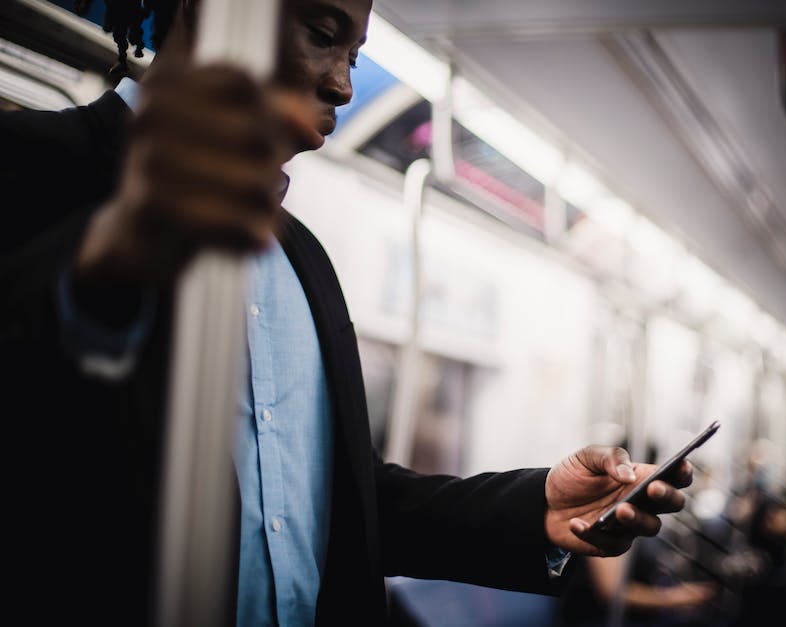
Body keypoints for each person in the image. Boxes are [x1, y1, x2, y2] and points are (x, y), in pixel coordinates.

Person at [0, 0, 692, 624]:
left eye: (355, 56)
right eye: (322, 35)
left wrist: (539, 507)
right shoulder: (27, 170)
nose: (342, 85)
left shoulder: (304, 262)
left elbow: (345, 503)